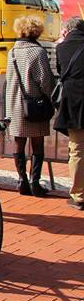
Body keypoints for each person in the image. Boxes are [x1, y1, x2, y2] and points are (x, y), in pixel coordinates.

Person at [5, 16, 55, 197]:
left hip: (15, 105)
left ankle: (21, 180)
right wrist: (51, 97)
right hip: (35, 104)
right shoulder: (37, 52)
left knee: (19, 143)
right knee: (37, 144)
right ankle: (35, 183)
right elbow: (45, 80)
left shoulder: (12, 52)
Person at [53, 17, 84, 210]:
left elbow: (60, 71)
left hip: (74, 104)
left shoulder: (61, 48)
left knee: (77, 150)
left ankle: (78, 195)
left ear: (68, 30)